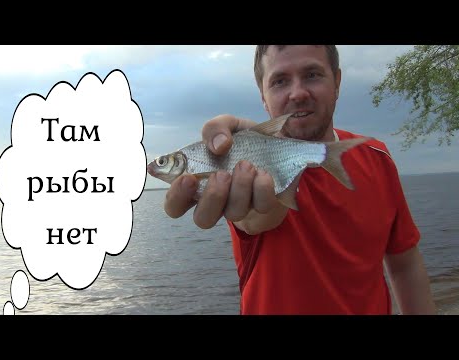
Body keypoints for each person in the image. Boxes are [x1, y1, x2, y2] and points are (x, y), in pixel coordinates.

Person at [163, 45, 436, 315]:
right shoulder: (247, 165)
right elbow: (254, 221)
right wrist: (251, 217)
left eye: (313, 74)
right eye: (280, 81)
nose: (298, 93)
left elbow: (405, 265)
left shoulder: (378, 158)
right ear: (263, 96)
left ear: (337, 82)